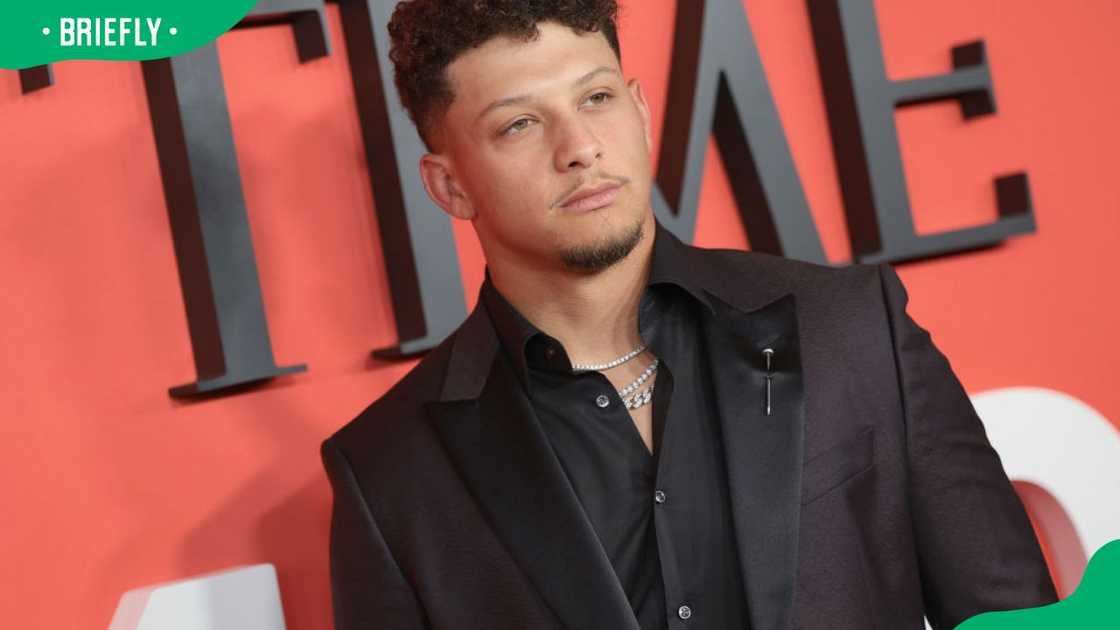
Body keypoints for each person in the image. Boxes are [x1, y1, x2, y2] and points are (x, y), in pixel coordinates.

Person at [319, 1, 1058, 628]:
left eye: (596, 98)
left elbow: (1007, 611)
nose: (579, 148)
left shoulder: (853, 327)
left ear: (638, 111)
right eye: (519, 125)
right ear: (450, 186)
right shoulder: (389, 474)